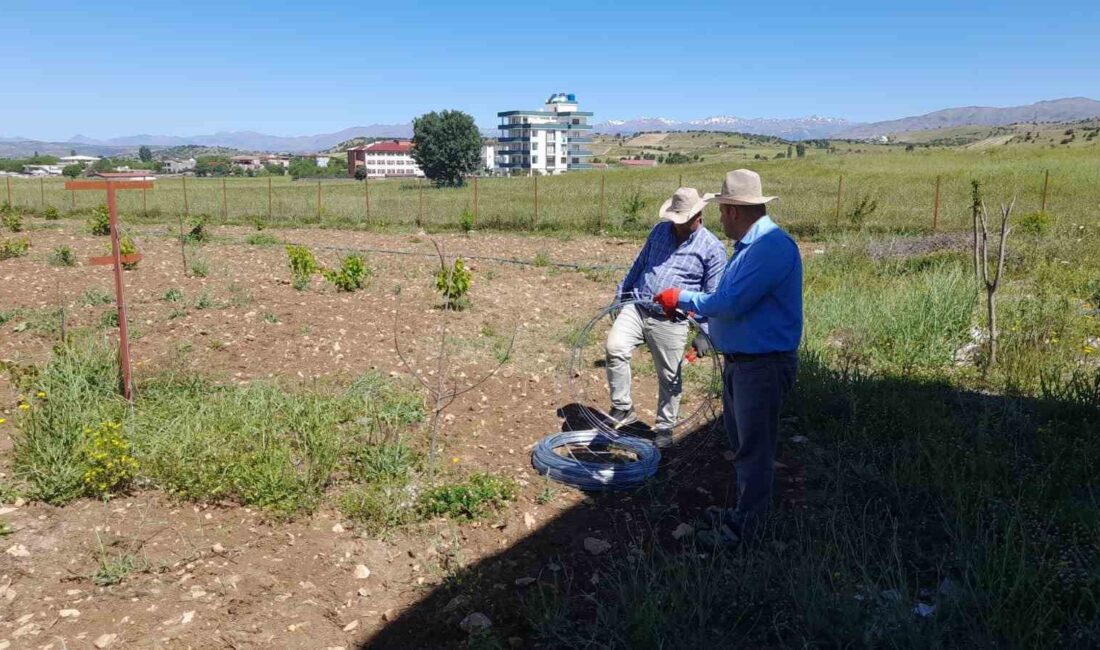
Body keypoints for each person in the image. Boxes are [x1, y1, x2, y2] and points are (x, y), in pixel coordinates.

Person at [654, 169, 803, 544]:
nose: (719, 219)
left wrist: (680, 298)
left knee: (753, 449)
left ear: (734, 210)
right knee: (743, 445)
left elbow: (729, 302)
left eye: (722, 211)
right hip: (746, 363)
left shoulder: (770, 248)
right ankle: (742, 512)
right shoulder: (753, 248)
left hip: (762, 366)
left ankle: (747, 529)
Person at [606, 187, 727, 447]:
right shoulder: (660, 231)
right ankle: (622, 408)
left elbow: (712, 295)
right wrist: (622, 294)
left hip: (672, 319)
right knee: (615, 348)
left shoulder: (712, 249)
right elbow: (639, 264)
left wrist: (704, 332)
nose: (678, 225)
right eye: (675, 219)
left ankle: (664, 427)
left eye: (683, 220)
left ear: (698, 216)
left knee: (670, 376)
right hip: (638, 305)